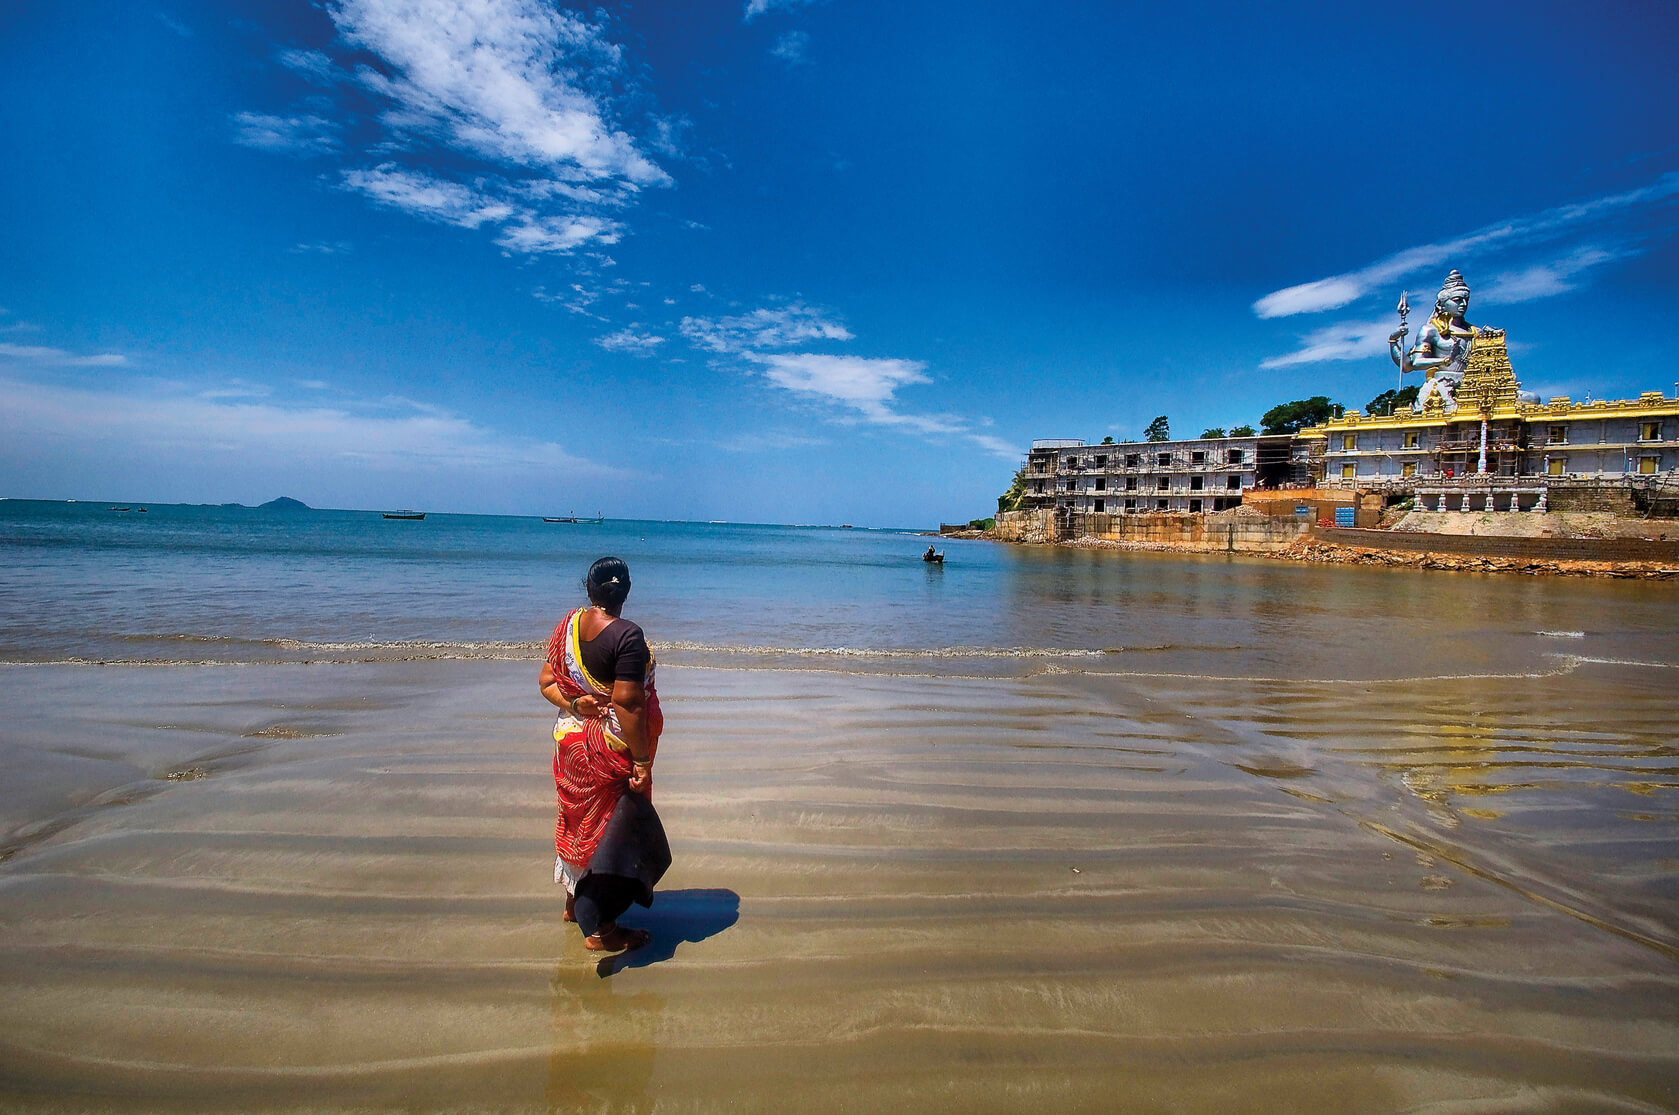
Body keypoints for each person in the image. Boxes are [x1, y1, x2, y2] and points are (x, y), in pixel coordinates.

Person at [539, 556, 670, 953]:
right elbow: (628, 705)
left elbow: (546, 682)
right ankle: (602, 928)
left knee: (578, 820)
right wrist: (643, 763)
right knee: (610, 834)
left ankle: (571, 901)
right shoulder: (628, 637)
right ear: (626, 591)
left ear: (589, 590)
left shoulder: (568, 627)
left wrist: (577, 706)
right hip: (607, 751)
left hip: (570, 742)